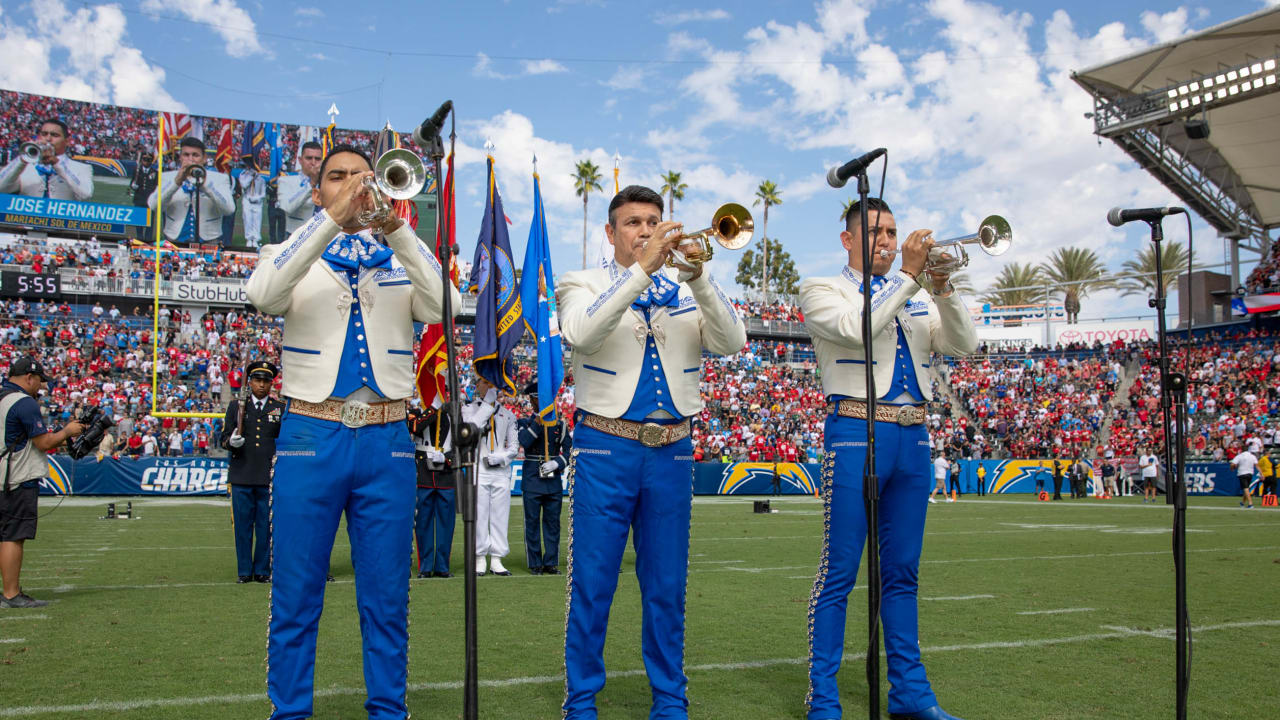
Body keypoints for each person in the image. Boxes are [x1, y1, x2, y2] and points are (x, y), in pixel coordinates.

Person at [245, 143, 459, 719]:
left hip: (387, 440)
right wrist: (329, 223)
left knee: (387, 598)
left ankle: (388, 711)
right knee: (295, 594)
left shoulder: (398, 254)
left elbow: (448, 304)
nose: (351, 186)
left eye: (363, 177)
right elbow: (263, 296)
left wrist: (397, 229)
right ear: (318, 192)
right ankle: (289, 712)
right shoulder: (287, 251)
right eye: (336, 177)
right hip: (311, 434)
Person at [557, 184, 746, 719]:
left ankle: (670, 699)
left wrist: (700, 278)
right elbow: (582, 333)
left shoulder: (688, 287)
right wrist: (641, 271)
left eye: (653, 221)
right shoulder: (583, 281)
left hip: (672, 449)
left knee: (667, 583)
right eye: (634, 222)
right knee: (592, 581)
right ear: (611, 231)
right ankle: (581, 701)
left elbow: (732, 342)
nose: (646, 230)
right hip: (604, 446)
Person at [799, 197, 978, 720]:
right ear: (847, 239)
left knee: (903, 572)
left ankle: (911, 695)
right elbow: (857, 329)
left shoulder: (916, 292)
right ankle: (824, 697)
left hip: (914, 435)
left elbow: (964, 345)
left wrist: (942, 290)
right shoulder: (821, 289)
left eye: (892, 231)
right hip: (855, 428)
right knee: (840, 571)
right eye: (876, 232)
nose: (887, 240)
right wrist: (910, 277)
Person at [0, 358, 84, 609]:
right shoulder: (23, 402)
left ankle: (8, 590)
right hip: (16, 477)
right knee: (13, 536)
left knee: (5, 535)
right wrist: (68, 431)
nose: (40, 387)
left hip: (4, 473)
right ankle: (12, 594)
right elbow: (44, 443)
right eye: (39, 381)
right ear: (29, 377)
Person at [218, 360, 283, 583]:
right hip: (242, 474)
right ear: (250, 382)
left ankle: (263, 570)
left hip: (268, 476)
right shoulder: (237, 407)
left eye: (266, 381)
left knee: (265, 526)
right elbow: (223, 437)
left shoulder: (278, 408)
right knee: (243, 527)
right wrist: (230, 442)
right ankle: (244, 571)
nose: (262, 385)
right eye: (257, 380)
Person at [516, 380, 571, 575]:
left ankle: (550, 562)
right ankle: (535, 563)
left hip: (553, 480)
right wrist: (537, 424)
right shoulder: (525, 422)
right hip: (532, 479)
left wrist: (558, 463)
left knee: (552, 524)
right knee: (531, 523)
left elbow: (571, 451)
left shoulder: (560, 425)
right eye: (538, 399)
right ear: (532, 401)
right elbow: (523, 441)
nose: (542, 403)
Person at [468, 376, 518, 576]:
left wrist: (502, 457)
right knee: (479, 515)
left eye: (491, 383)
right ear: (477, 385)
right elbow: (470, 432)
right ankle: (480, 556)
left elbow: (514, 446)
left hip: (499, 472)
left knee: (500, 515)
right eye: (483, 382)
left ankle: (496, 558)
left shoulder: (507, 414)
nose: (487, 386)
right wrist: (487, 406)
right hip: (478, 469)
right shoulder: (469, 411)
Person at [148, 137, 234, 245]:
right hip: (174, 240)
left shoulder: (219, 179)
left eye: (195, 155)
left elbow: (229, 209)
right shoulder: (167, 177)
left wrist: (206, 185)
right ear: (180, 157)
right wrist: (176, 183)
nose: (191, 159)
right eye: (186, 155)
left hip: (209, 241)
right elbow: (153, 205)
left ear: (204, 158)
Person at [409, 398, 455, 578]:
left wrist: (447, 458)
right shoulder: (417, 413)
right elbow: (414, 428)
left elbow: (463, 445)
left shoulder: (454, 416)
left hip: (446, 475)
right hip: (424, 476)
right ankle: (425, 566)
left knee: (446, 524)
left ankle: (442, 566)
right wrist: (433, 407)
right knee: (423, 523)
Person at [0, 118, 93, 201]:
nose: (48, 139)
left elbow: (86, 194)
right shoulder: (25, 167)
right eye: (44, 134)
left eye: (55, 135)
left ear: (67, 141)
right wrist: (22, 159)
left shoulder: (82, 168)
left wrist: (57, 163)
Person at [277, 140, 324, 235]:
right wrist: (311, 184)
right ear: (300, 160)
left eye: (317, 159)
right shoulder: (286, 181)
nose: (313, 162)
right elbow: (287, 207)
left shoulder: (326, 184)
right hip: (296, 236)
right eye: (309, 158)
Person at [234, 156, 267, 248]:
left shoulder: (261, 179)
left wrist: (257, 198)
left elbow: (263, 193)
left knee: (257, 221)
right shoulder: (243, 175)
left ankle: (255, 239)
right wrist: (250, 177)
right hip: (247, 201)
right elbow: (243, 185)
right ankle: (249, 239)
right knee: (248, 220)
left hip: (257, 203)